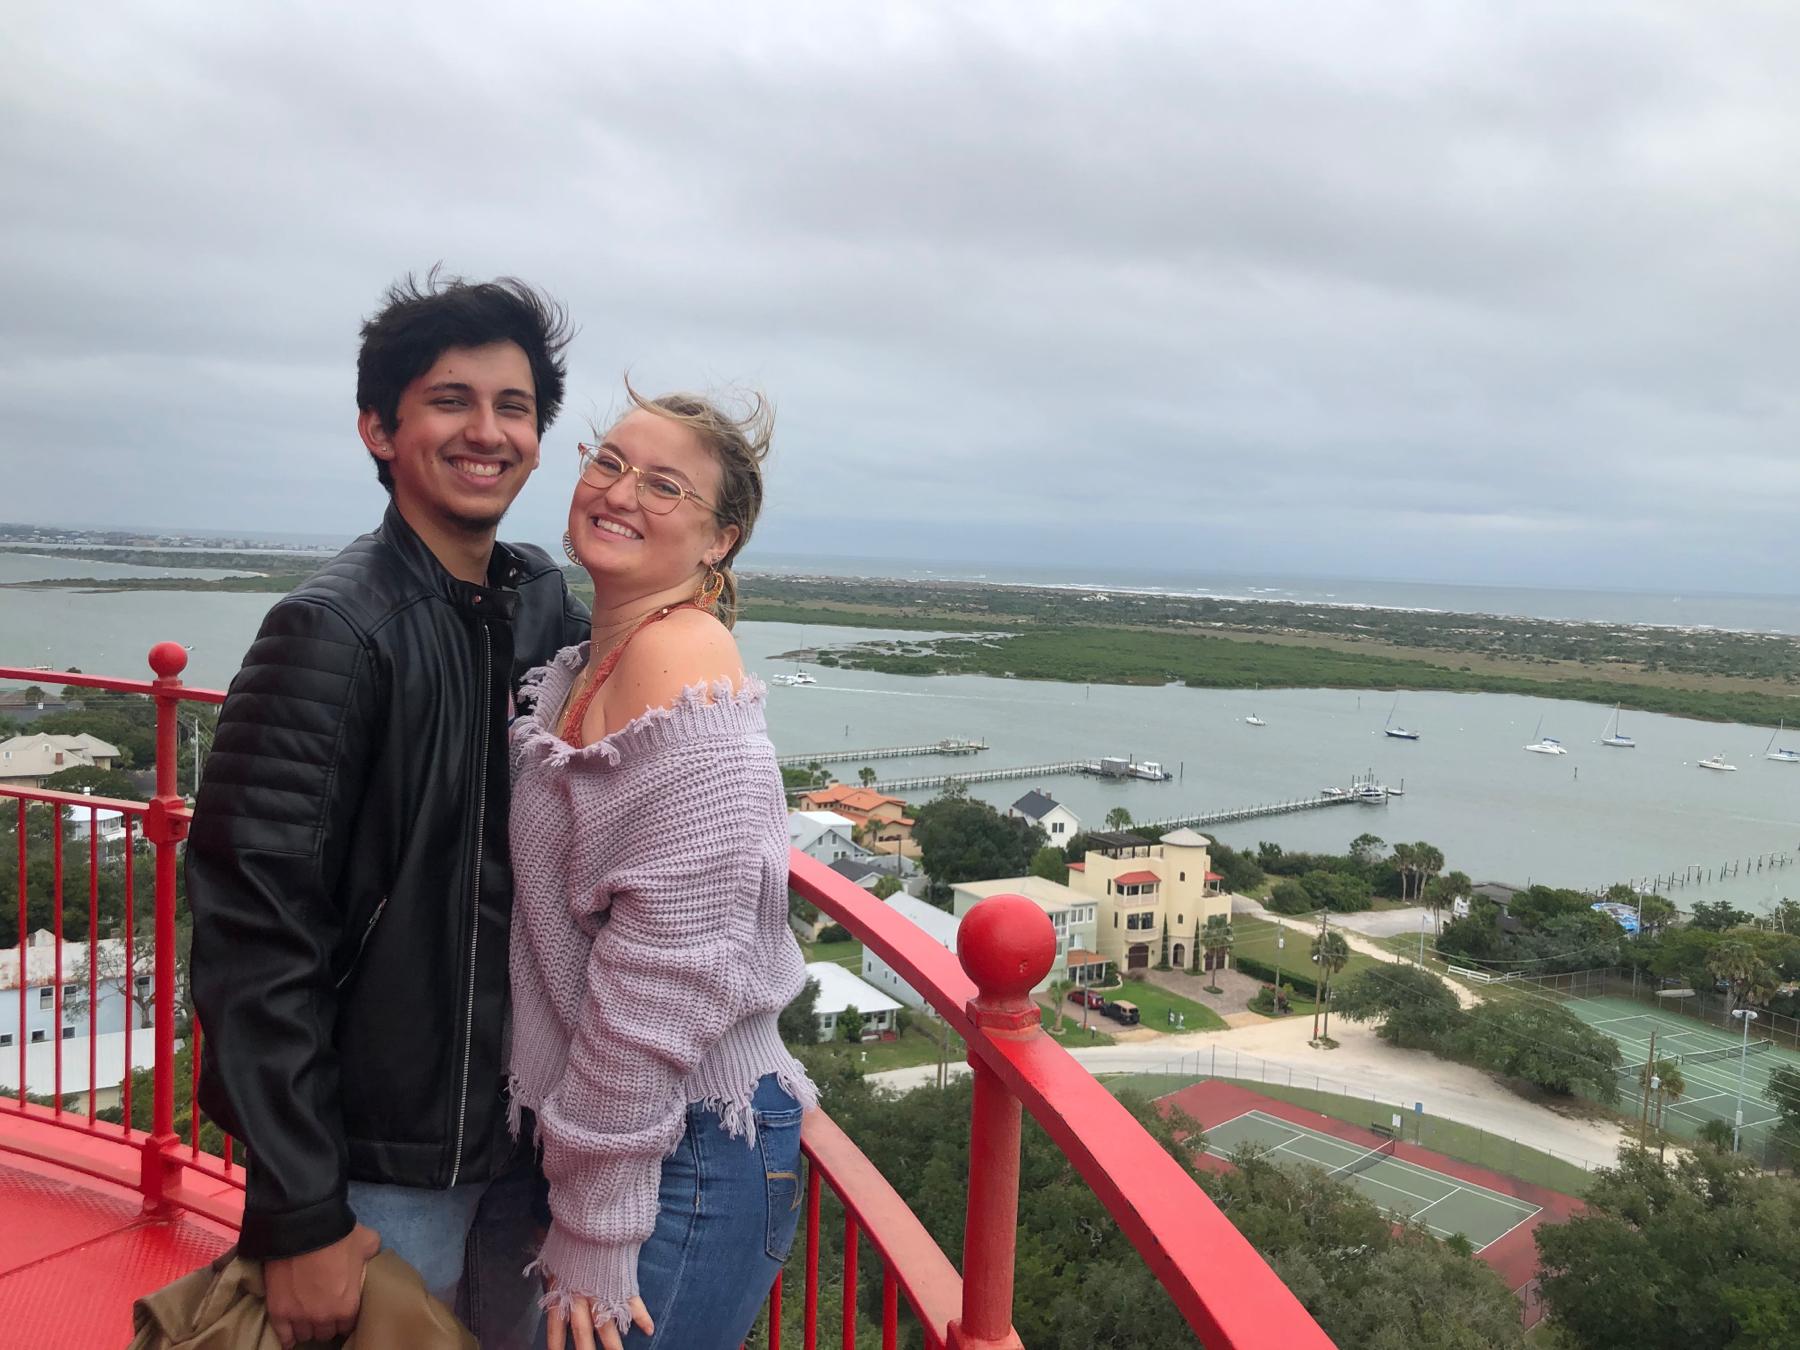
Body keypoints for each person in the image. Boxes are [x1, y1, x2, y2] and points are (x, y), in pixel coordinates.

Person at [187, 272, 590, 1350]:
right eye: (451, 400)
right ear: (379, 426)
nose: (487, 431)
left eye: (514, 408)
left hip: (521, 1146)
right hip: (382, 1164)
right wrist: (300, 1210)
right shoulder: (332, 631)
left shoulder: (541, 603)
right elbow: (251, 936)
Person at [506, 386, 816, 1350]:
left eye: (665, 485)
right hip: (644, 1140)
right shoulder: (579, 663)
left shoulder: (681, 661)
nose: (621, 491)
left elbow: (668, 970)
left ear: (719, 542)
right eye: (609, 462)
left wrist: (598, 1221)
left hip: (683, 1154)